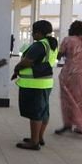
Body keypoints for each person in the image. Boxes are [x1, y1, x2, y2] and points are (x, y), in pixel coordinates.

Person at [12, 20, 58, 150]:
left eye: (33, 32)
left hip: (34, 84)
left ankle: (34, 142)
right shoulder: (52, 43)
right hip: (46, 82)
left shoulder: (39, 45)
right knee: (43, 111)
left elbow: (27, 61)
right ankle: (39, 137)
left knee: (35, 113)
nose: (32, 34)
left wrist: (16, 68)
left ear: (39, 33)